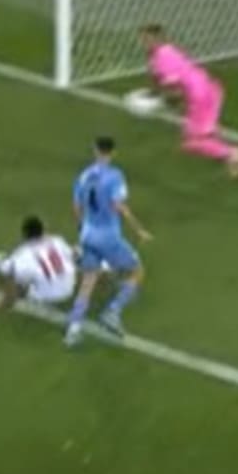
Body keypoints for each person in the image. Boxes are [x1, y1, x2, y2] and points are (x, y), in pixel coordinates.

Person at [64, 136, 152, 346]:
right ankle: (112, 312)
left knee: (89, 278)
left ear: (95, 150)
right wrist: (139, 230)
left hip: (88, 234)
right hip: (108, 236)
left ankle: (73, 328)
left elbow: (76, 207)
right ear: (113, 153)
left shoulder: (84, 175)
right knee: (137, 271)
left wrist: (82, 230)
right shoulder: (115, 176)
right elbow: (118, 206)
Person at [141, 25, 238, 177]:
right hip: (210, 89)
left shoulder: (162, 59)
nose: (144, 43)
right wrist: (155, 93)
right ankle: (231, 159)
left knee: (192, 143)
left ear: (158, 39)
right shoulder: (167, 51)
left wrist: (159, 103)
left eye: (147, 39)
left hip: (201, 98)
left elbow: (175, 93)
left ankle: (237, 155)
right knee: (204, 133)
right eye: (143, 39)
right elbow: (164, 80)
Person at [0, 214, 77, 309]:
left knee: (9, 272)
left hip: (45, 296)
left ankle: (9, 300)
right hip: (69, 289)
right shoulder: (57, 240)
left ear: (25, 234)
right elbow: (73, 255)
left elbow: (6, 269)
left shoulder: (25, 252)